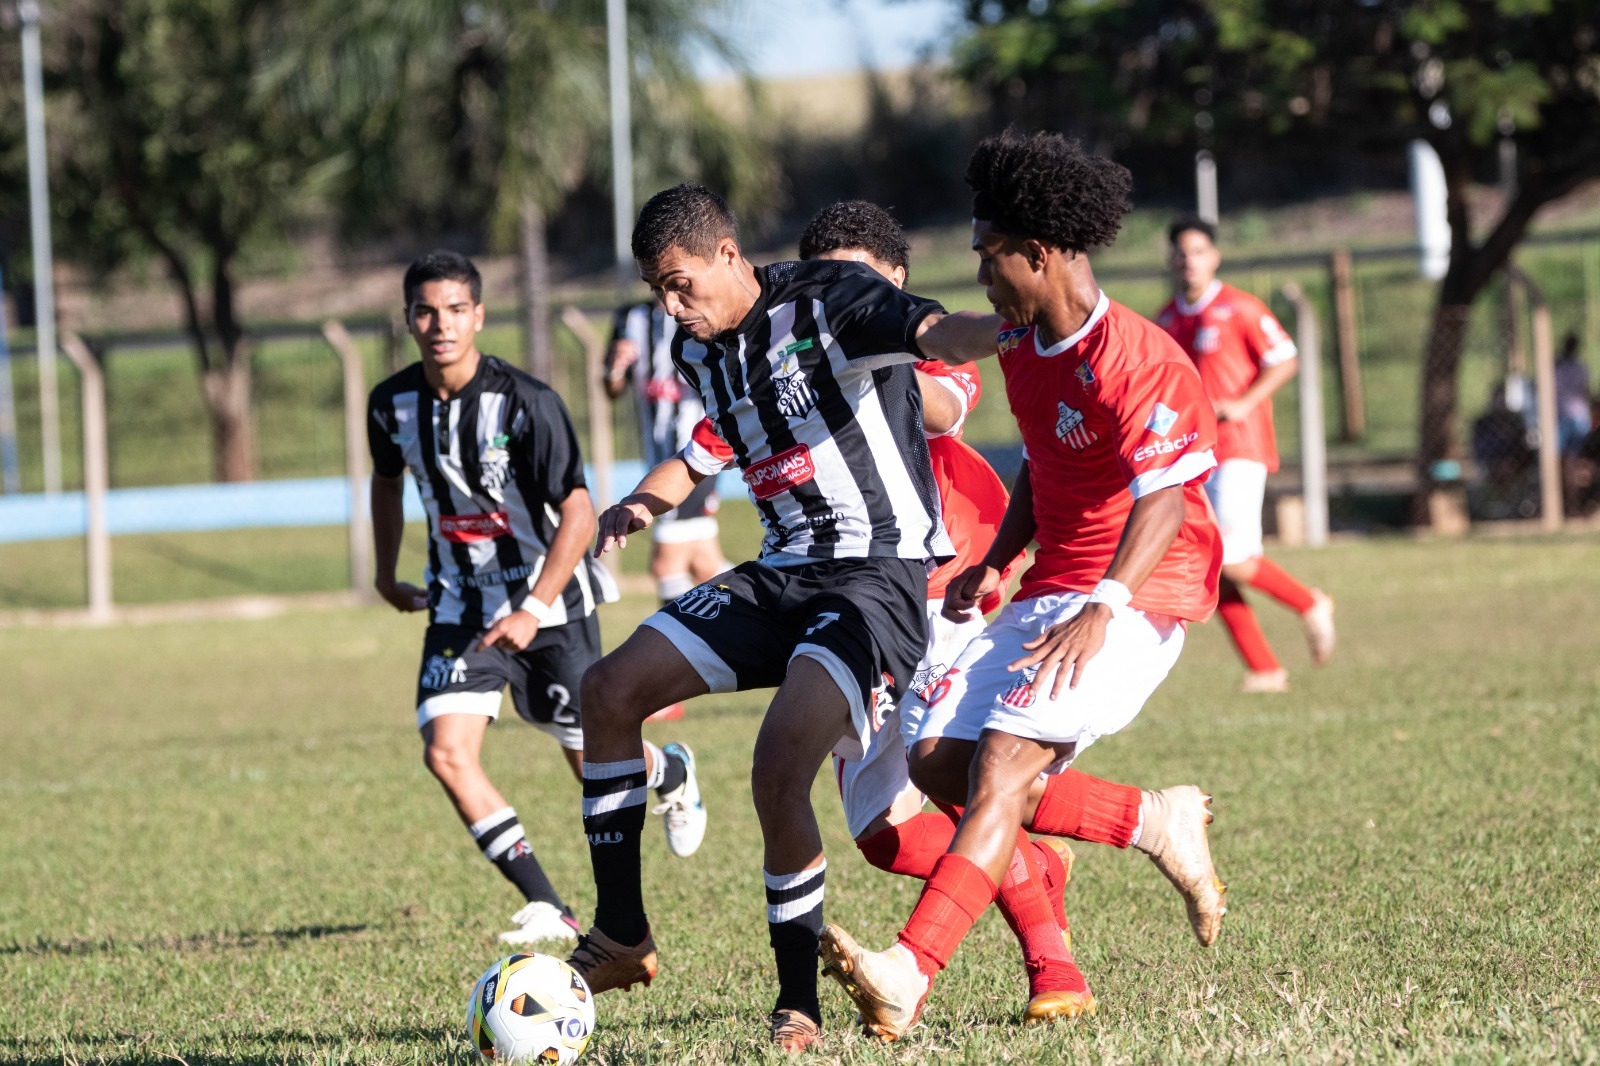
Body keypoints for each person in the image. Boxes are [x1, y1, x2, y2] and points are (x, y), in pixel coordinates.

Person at [566, 183, 1004, 1049]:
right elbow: (698, 457)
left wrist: (1031, 325)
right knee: (608, 690)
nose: (669, 304)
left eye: (680, 283)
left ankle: (796, 1000)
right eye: (657, 288)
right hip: (781, 574)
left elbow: (937, 335)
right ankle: (622, 934)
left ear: (729, 256)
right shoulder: (703, 353)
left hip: (875, 580)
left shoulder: (828, 299)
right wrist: (638, 509)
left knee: (779, 760)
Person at [818, 129, 1224, 1042]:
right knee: (941, 762)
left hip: (1148, 585)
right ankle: (1153, 819)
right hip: (1056, 582)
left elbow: (1165, 501)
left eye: (988, 255)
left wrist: (1104, 608)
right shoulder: (1023, 344)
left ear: (1037, 254)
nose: (982, 273)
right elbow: (1044, 468)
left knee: (1003, 764)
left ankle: (907, 974)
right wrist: (1001, 560)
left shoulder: (1141, 358)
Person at [366, 250, 705, 947]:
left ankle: (671, 769)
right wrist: (382, 572)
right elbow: (385, 482)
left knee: (591, 758)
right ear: (407, 320)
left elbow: (578, 513)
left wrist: (531, 605)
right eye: (426, 310)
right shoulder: (391, 404)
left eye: (456, 309)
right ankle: (550, 905)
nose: (441, 324)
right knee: (447, 752)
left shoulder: (526, 402)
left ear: (479, 316)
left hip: (553, 606)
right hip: (460, 606)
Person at [1158, 216, 1335, 693]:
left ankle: (1308, 602)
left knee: (1230, 555)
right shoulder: (1166, 320)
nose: (1189, 260)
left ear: (1214, 257)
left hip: (1239, 447)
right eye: (1181, 252)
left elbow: (1285, 358)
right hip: (1192, 455)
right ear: (1171, 259)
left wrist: (1244, 402)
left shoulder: (1240, 307)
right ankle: (1264, 667)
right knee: (1210, 559)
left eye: (1198, 251)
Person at [603, 300, 730, 609]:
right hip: (656, 453)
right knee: (703, 562)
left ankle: (689, 649)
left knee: (667, 564)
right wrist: (616, 368)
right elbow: (611, 388)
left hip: (697, 453)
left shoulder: (705, 313)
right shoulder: (630, 317)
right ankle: (752, 622)